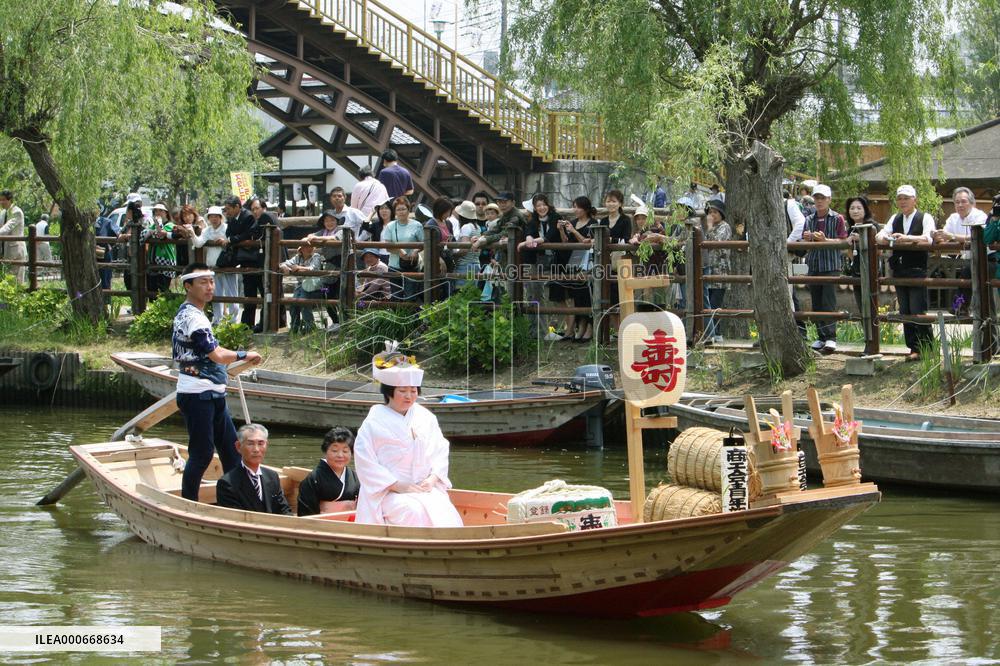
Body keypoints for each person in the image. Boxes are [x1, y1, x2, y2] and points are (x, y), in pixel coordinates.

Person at [173, 262, 262, 501]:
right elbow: (218, 355)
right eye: (203, 282)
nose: (209, 287)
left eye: (211, 281)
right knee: (201, 454)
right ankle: (188, 504)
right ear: (188, 286)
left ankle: (235, 501)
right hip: (197, 394)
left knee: (232, 454)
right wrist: (244, 355)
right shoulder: (193, 318)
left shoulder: (195, 313)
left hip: (212, 393)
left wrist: (238, 355)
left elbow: (215, 350)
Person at [354, 344, 463, 527]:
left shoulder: (426, 417)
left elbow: (440, 449)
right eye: (402, 391)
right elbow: (365, 463)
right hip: (387, 491)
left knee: (446, 511)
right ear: (389, 392)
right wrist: (397, 485)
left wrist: (433, 479)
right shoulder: (373, 423)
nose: (409, 396)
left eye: (413, 391)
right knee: (411, 511)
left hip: (424, 486)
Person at [876, 185, 936, 361]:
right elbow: (879, 235)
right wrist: (888, 238)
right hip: (900, 269)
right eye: (900, 198)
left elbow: (928, 238)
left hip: (917, 269)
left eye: (906, 198)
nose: (903, 201)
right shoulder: (895, 218)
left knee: (918, 309)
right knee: (905, 310)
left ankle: (927, 348)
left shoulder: (925, 217)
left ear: (914, 200)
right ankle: (913, 348)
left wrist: (907, 238)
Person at [801, 184, 848, 354]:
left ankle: (831, 337)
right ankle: (821, 337)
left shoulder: (838, 219)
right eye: (817, 198)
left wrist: (825, 240)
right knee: (817, 302)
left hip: (830, 265)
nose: (819, 201)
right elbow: (803, 243)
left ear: (829, 199)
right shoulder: (809, 219)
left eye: (823, 198)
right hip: (814, 265)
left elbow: (843, 242)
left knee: (829, 302)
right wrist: (808, 238)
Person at [216, 424, 292, 515]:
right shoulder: (227, 483)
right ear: (238, 446)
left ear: (266, 445)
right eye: (250, 443)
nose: (256, 449)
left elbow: (283, 509)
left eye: (260, 443)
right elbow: (235, 519)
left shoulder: (272, 476)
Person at [935, 187, 987, 313]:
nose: (960, 205)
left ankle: (959, 307)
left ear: (972, 203)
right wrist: (938, 236)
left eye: (963, 201)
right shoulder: (953, 218)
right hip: (967, 260)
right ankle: (960, 308)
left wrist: (952, 236)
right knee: (964, 275)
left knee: (966, 275)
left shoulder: (980, 216)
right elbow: (945, 236)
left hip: (985, 258)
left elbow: (976, 238)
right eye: (957, 202)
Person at [296, 426, 361, 517]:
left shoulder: (355, 477)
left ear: (352, 453)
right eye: (334, 450)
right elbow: (306, 515)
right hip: (323, 527)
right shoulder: (313, 479)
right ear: (325, 451)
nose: (340, 455)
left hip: (350, 525)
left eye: (345, 451)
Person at [558, 196, 597, 342]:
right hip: (573, 262)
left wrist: (573, 231)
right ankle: (580, 326)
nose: (576, 209)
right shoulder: (573, 222)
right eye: (574, 206)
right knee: (577, 296)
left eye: (578, 207)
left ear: (586, 208)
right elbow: (565, 242)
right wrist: (562, 230)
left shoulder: (593, 223)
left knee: (588, 295)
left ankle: (590, 328)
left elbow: (587, 242)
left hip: (587, 262)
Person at [221, 196, 263, 329]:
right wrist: (234, 238)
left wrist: (233, 239)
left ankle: (263, 322)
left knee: (261, 290)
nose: (227, 212)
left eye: (228, 209)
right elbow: (229, 233)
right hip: (244, 258)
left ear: (237, 207)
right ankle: (247, 324)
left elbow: (248, 234)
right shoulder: (232, 218)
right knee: (249, 290)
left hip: (256, 258)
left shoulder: (248, 216)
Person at [192, 206, 238, 324]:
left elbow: (234, 241)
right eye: (211, 216)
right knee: (215, 294)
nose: (213, 219)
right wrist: (192, 233)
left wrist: (225, 241)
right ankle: (218, 320)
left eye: (216, 216)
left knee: (231, 294)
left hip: (228, 265)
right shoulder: (207, 231)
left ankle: (233, 321)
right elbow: (198, 243)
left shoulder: (227, 228)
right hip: (213, 267)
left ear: (220, 217)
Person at [304, 210, 343, 325]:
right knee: (326, 294)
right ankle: (335, 321)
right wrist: (310, 237)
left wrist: (317, 239)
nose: (329, 223)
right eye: (327, 221)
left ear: (336, 221)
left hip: (343, 267)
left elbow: (336, 238)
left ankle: (345, 322)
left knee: (343, 295)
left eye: (332, 220)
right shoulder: (323, 232)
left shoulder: (341, 230)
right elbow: (310, 236)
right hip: (328, 268)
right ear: (323, 222)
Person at [702, 199, 731, 344]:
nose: (712, 215)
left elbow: (717, 242)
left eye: (715, 212)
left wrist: (709, 227)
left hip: (720, 270)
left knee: (715, 304)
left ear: (721, 213)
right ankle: (711, 333)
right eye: (710, 212)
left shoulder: (724, 227)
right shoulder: (709, 228)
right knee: (708, 303)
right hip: (708, 269)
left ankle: (716, 333)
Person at [383, 197, 424, 301]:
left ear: (408, 210)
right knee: (396, 297)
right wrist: (399, 251)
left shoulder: (417, 225)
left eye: (403, 209)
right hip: (394, 266)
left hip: (412, 265)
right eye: (398, 210)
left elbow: (424, 243)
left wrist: (415, 250)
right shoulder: (390, 226)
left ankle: (412, 317)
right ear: (395, 211)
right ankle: (398, 317)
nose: (401, 212)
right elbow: (387, 247)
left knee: (411, 296)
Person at [844, 196, 880, 316]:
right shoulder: (851, 229)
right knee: (862, 309)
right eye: (852, 208)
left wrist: (863, 240)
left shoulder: (872, 227)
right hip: (857, 272)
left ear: (865, 210)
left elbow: (878, 249)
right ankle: (866, 334)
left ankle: (873, 335)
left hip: (871, 272)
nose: (855, 211)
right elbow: (850, 254)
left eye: (859, 208)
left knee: (872, 308)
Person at [280, 240, 324, 333]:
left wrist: (298, 268)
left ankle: (309, 327)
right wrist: (284, 266)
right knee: (293, 304)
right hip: (301, 286)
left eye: (311, 246)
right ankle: (295, 326)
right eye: (306, 246)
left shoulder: (316, 256)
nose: (309, 248)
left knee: (304, 302)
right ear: (301, 249)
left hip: (316, 286)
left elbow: (313, 268)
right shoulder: (297, 258)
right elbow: (285, 263)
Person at [142, 203, 176, 296]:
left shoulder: (171, 225)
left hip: (165, 260)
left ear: (166, 213)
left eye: (161, 210)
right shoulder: (152, 225)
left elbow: (160, 235)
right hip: (153, 260)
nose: (158, 212)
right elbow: (144, 234)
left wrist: (158, 225)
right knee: (151, 290)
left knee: (163, 289)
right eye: (156, 211)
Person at [453, 200, 485, 287]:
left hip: (465, 265)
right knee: (471, 292)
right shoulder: (477, 227)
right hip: (475, 264)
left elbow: (464, 249)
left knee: (462, 292)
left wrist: (453, 254)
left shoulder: (466, 227)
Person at [0, 190, 27, 284]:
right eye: (0, 200)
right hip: (5, 251)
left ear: (10, 199)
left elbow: (8, 227)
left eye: (3, 200)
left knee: (18, 281)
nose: (1, 202)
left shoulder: (17, 212)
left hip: (16, 251)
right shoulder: (3, 212)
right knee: (8, 280)